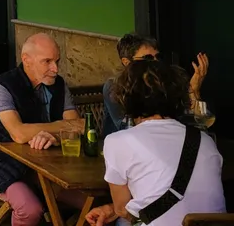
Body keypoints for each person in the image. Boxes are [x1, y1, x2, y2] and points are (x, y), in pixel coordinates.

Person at [87, 60, 225, 226]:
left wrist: (113, 209)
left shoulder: (118, 142)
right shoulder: (205, 140)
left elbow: (123, 210)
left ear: (125, 99)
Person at [0, 33, 85, 226]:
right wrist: (60, 127)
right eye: (47, 61)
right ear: (26, 60)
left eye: (57, 61)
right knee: (30, 210)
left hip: (53, 167)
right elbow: (18, 133)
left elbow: (78, 127)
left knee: (93, 202)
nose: (55, 69)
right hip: (7, 165)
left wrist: (54, 138)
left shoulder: (59, 85)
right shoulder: (2, 85)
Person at [102, 33, 209, 137]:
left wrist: (193, 91)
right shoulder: (114, 86)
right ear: (126, 62)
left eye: (158, 57)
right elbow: (126, 128)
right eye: (147, 58)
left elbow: (197, 124)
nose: (156, 62)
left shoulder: (164, 81)